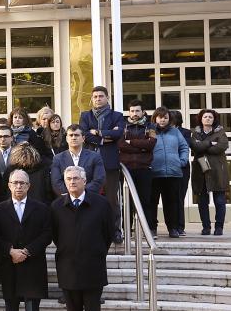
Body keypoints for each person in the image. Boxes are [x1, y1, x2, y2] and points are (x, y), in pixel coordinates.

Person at [52, 165, 114, 311]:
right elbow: (55, 235)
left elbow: (108, 233)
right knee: (73, 310)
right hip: (68, 265)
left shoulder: (101, 204)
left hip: (93, 265)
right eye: (68, 178)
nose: (72, 182)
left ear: (85, 181)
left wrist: (95, 251)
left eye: (76, 178)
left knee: (93, 310)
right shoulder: (57, 206)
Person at [0, 170, 51, 311]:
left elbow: (46, 235)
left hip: (33, 264)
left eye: (22, 183)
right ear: (9, 185)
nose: (18, 186)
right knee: (11, 306)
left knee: (32, 308)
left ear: (29, 186)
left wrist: (26, 251)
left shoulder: (41, 208)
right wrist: (10, 251)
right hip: (9, 264)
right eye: (15, 183)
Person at [78, 86, 126, 244]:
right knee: (90, 197)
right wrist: (104, 137)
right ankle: (93, 230)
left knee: (112, 199)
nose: (98, 99)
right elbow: (84, 135)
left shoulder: (117, 115)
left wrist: (97, 132)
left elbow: (118, 134)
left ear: (107, 98)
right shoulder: (85, 116)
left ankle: (115, 231)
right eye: (95, 97)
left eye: (101, 96)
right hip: (89, 163)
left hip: (110, 164)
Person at [149, 107, 190, 238]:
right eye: (160, 117)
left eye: (165, 117)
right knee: (152, 203)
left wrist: (182, 160)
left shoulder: (175, 132)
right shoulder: (150, 131)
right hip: (154, 173)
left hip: (173, 172)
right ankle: (152, 228)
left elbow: (184, 147)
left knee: (172, 202)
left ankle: (173, 228)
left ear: (169, 119)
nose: (163, 120)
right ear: (155, 118)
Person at [117, 101, 156, 231]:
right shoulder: (122, 126)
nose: (134, 114)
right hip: (126, 169)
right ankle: (127, 229)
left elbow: (151, 144)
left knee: (145, 200)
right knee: (126, 201)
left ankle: (146, 229)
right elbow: (121, 145)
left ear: (143, 112)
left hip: (144, 169)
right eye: (132, 111)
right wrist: (141, 147)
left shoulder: (151, 126)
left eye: (137, 111)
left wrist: (131, 142)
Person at [191, 109, 228, 236]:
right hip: (200, 170)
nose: (207, 119)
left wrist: (203, 146)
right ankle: (206, 227)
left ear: (214, 119)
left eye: (210, 117)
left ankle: (219, 227)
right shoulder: (195, 133)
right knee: (202, 201)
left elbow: (222, 147)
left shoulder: (221, 132)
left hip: (217, 171)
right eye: (205, 116)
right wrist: (210, 143)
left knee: (219, 201)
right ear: (201, 119)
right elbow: (195, 147)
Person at [50, 125, 105, 197]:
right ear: (67, 138)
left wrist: (81, 194)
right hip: (66, 201)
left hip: (89, 198)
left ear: (83, 138)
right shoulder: (58, 158)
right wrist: (71, 196)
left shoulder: (95, 157)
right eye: (71, 135)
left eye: (76, 135)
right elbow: (56, 182)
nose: (73, 138)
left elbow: (99, 179)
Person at [170, 110, 191, 237]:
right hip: (167, 167)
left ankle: (180, 226)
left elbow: (184, 147)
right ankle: (172, 225)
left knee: (179, 198)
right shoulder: (161, 131)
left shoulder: (185, 132)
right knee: (170, 199)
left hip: (181, 168)